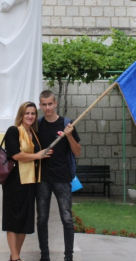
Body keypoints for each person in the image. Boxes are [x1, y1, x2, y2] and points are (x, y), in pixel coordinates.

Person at [3, 101, 53, 261]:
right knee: (13, 220)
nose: (30, 116)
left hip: (31, 182)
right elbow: (15, 155)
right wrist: (37, 156)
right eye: (27, 113)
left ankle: (14, 256)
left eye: (33, 113)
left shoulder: (34, 134)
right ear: (21, 115)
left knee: (25, 220)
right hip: (14, 182)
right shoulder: (14, 131)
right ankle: (16, 258)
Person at [36, 90, 82, 261]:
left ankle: (68, 257)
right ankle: (44, 256)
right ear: (40, 105)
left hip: (62, 179)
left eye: (50, 104)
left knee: (67, 218)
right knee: (41, 219)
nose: (47, 107)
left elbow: (77, 152)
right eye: (44, 104)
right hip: (42, 179)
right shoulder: (38, 124)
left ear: (55, 103)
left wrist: (69, 136)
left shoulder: (67, 124)